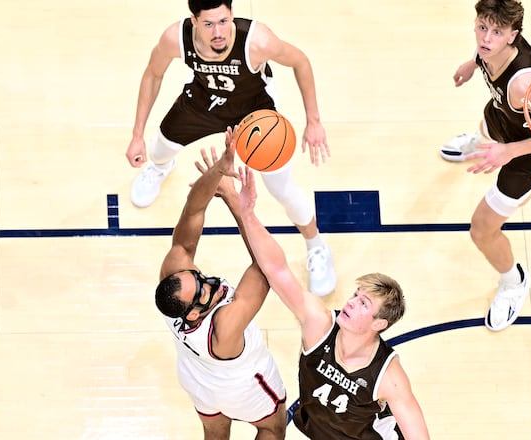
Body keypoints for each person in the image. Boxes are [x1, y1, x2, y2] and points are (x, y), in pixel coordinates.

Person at [126, 0, 337, 296]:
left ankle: (316, 246)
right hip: (202, 102)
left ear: (232, 15)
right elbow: (153, 73)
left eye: (224, 21)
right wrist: (137, 133)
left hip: (254, 112)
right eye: (209, 24)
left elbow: (300, 61)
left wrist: (313, 121)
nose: (218, 33)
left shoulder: (258, 41)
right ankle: (161, 168)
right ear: (194, 21)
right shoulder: (176, 38)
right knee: (158, 150)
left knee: (282, 189)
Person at [233, 163, 430, 439]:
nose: (350, 303)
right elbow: (277, 270)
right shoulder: (319, 324)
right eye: (355, 296)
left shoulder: (388, 375)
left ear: (379, 323)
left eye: (364, 304)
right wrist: (248, 214)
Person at [438, 0, 531, 331]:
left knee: (482, 230)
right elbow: (483, 47)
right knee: (488, 122)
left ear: (513, 36)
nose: (486, 38)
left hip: (529, 157)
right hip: (506, 120)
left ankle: (514, 282)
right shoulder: (490, 48)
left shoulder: (525, 86)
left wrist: (508, 152)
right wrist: (472, 64)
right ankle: (481, 142)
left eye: (496, 32)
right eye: (481, 27)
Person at [154, 128, 287, 439]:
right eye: (202, 289)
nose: (206, 279)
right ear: (192, 314)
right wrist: (233, 199)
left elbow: (193, 209)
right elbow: (265, 266)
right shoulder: (224, 326)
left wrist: (218, 171)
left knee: (214, 433)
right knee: (272, 428)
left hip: (198, 380)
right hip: (240, 387)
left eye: (197, 275)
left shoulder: (173, 282)